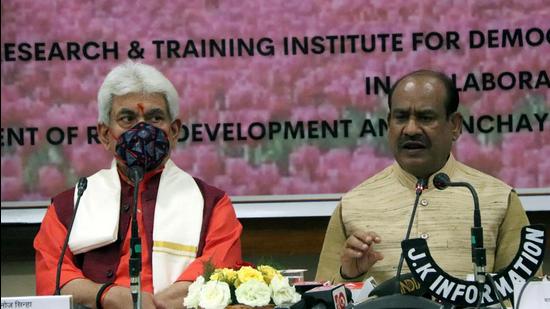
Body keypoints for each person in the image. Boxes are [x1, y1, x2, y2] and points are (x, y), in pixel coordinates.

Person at [34, 61, 243, 309]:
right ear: (104, 134)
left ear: (174, 131)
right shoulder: (70, 206)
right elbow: (53, 277)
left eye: (155, 118)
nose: (142, 129)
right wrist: (108, 296)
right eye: (127, 118)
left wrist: (164, 302)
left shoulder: (212, 204)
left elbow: (222, 267)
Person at [316, 70, 531, 284]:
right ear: (388, 124)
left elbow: (528, 296)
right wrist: (348, 276)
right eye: (400, 117)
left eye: (426, 117)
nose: (410, 129)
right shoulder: (353, 205)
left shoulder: (498, 200)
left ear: (455, 125)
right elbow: (319, 300)